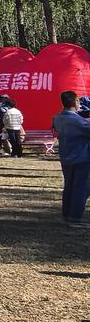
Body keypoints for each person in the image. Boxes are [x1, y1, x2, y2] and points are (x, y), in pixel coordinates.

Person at [51, 90, 90, 228]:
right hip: (82, 157)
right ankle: (75, 217)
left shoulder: (57, 118)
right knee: (81, 188)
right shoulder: (77, 121)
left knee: (69, 186)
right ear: (76, 101)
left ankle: (67, 214)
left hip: (66, 157)